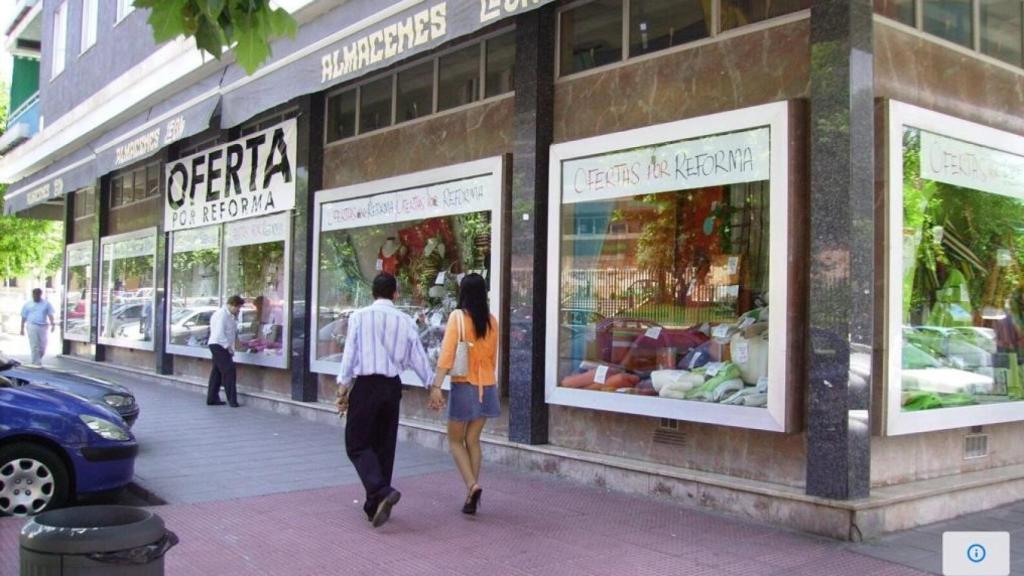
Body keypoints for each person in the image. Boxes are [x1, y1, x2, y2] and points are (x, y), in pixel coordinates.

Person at [336, 273, 433, 528]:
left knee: (356, 443)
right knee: (383, 445)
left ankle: (380, 489)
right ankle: (374, 505)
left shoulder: (359, 317)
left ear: (372, 293)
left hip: (366, 385)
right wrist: (431, 384)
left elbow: (350, 353)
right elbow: (417, 356)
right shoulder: (405, 321)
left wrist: (343, 386)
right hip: (391, 387)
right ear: (395, 293)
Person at [427, 273, 499, 515]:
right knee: (474, 440)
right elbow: (492, 358)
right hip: (487, 386)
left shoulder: (457, 317)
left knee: (455, 440)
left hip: (465, 384)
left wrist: (436, 385)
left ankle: (472, 485)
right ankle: (471, 496)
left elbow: (447, 355)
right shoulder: (491, 321)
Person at [207, 295, 244, 407]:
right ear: (232, 305)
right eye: (238, 308)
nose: (239, 310)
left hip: (219, 345)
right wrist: (228, 348)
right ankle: (232, 400)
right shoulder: (222, 315)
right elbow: (219, 334)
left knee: (217, 373)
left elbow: (231, 332)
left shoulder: (229, 315)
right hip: (219, 346)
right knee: (229, 371)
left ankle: (212, 398)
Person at [20, 288, 56, 364]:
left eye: (37, 295)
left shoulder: (46, 304)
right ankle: (35, 363)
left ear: (40, 295)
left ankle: (38, 359)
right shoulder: (28, 304)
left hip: (43, 326)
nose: (35, 296)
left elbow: (50, 314)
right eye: (34, 295)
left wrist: (53, 324)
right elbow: (23, 316)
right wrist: (22, 328)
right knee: (34, 345)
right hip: (32, 325)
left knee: (43, 346)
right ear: (32, 295)